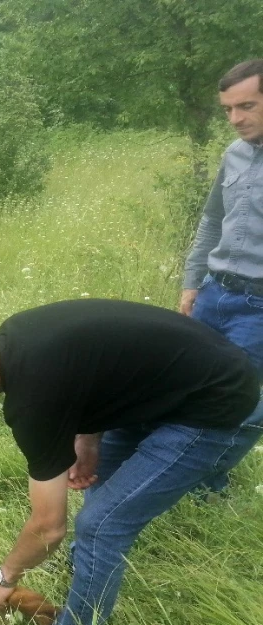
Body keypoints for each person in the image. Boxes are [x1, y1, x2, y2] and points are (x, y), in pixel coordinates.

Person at [0, 299, 263, 625]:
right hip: (183, 383)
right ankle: (87, 567)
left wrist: (4, 578)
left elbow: (48, 527)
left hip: (219, 405)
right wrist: (88, 436)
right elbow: (99, 371)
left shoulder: (32, 403)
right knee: (103, 494)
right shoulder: (15, 335)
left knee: (101, 525)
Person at [180, 58, 263, 493]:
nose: (235, 119)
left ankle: (207, 484)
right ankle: (178, 471)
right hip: (214, 293)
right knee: (186, 388)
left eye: (246, 106)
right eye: (228, 109)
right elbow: (212, 221)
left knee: (242, 405)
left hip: (259, 309)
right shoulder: (234, 154)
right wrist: (192, 283)